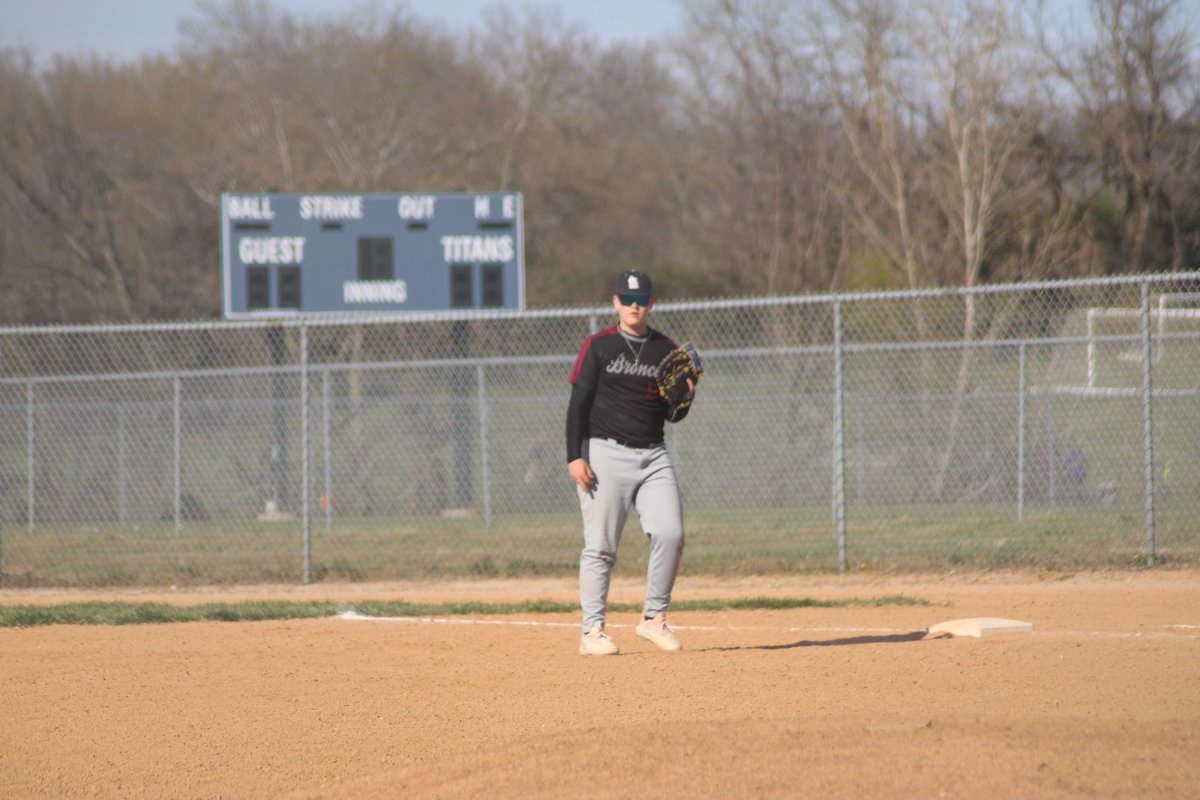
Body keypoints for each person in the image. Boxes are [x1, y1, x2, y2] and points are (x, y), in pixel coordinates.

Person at [565, 270, 696, 656]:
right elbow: (578, 406)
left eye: (641, 299)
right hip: (605, 453)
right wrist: (575, 456)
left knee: (671, 533)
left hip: (653, 453)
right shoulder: (599, 346)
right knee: (601, 546)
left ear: (651, 303)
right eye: (627, 298)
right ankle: (592, 632)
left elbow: (673, 416)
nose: (635, 305)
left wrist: (684, 397)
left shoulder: (665, 350)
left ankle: (654, 619)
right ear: (616, 303)